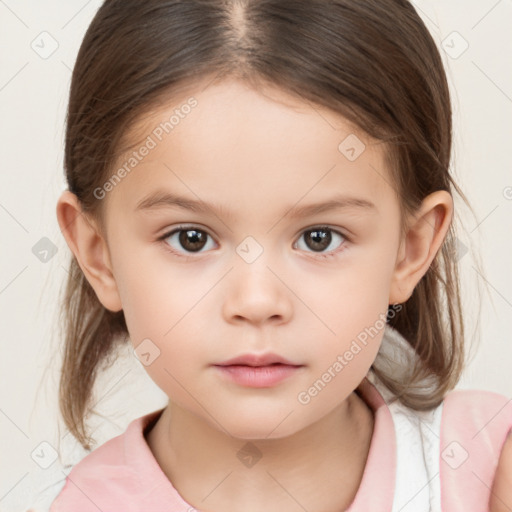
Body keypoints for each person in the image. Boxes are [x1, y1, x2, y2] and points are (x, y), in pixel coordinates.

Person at [26, 0, 512, 510]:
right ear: (97, 254)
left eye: (319, 237)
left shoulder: (485, 471)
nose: (257, 302)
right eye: (190, 238)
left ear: (409, 250)